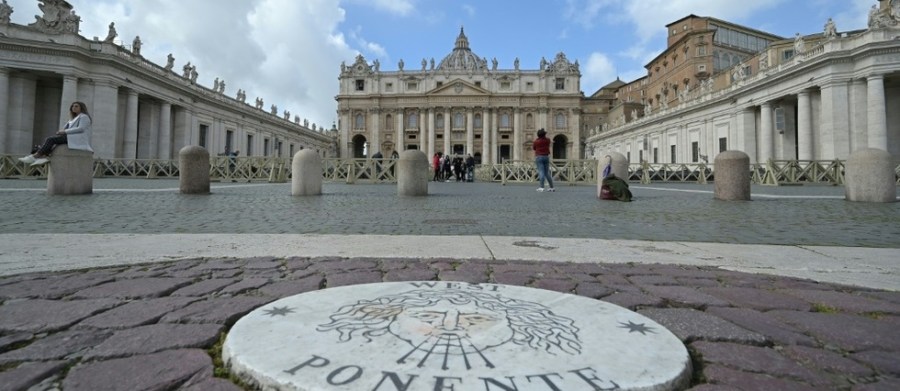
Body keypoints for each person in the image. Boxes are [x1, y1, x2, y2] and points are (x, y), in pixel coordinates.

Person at [19, 102, 93, 166]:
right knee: (51, 140)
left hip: (77, 138)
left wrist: (64, 131)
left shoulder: (84, 117)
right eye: (72, 106)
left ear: (82, 108)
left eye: (76, 106)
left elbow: (81, 129)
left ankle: (35, 156)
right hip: (70, 137)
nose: (74, 107)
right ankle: (44, 156)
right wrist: (61, 132)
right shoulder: (72, 119)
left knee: (50, 139)